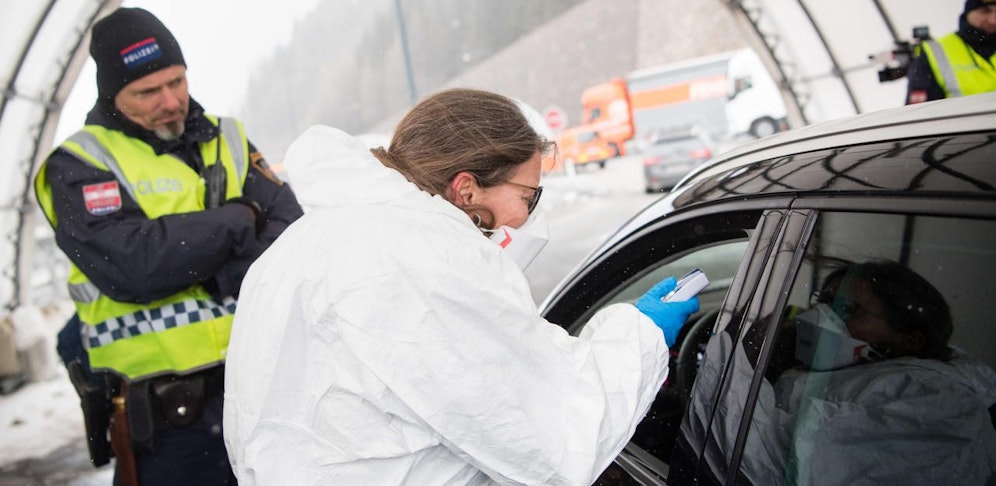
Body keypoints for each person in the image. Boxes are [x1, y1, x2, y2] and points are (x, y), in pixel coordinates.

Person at [223, 88, 701, 485]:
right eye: (528, 197)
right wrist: (641, 334)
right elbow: (551, 434)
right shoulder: (424, 258)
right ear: (467, 189)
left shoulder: (301, 245)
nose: (524, 218)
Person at [33, 7, 303, 485]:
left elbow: (291, 237)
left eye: (177, 81)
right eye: (147, 92)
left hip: (264, 396)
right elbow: (134, 267)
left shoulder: (229, 138)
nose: (171, 101)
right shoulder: (78, 164)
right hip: (166, 428)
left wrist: (202, 265)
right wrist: (239, 219)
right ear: (112, 94)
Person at [738, 260, 996, 485]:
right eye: (824, 302)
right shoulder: (845, 370)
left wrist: (746, 359)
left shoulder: (941, 406)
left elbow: (770, 461)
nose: (821, 315)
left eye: (848, 310)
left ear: (906, 341)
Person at [905, 0, 996, 104]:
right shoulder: (934, 52)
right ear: (968, 13)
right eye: (985, 11)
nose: (993, 19)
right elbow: (919, 113)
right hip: (961, 120)